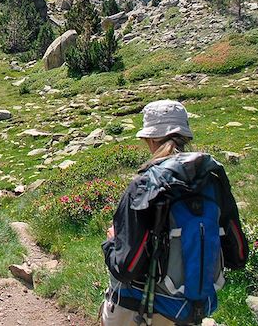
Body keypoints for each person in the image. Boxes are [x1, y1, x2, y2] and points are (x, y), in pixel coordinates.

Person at [100, 100, 248, 326]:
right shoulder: (213, 181)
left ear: (149, 139)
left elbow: (126, 269)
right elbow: (238, 256)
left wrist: (111, 242)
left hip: (141, 309)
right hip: (190, 311)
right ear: (186, 136)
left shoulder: (144, 185)